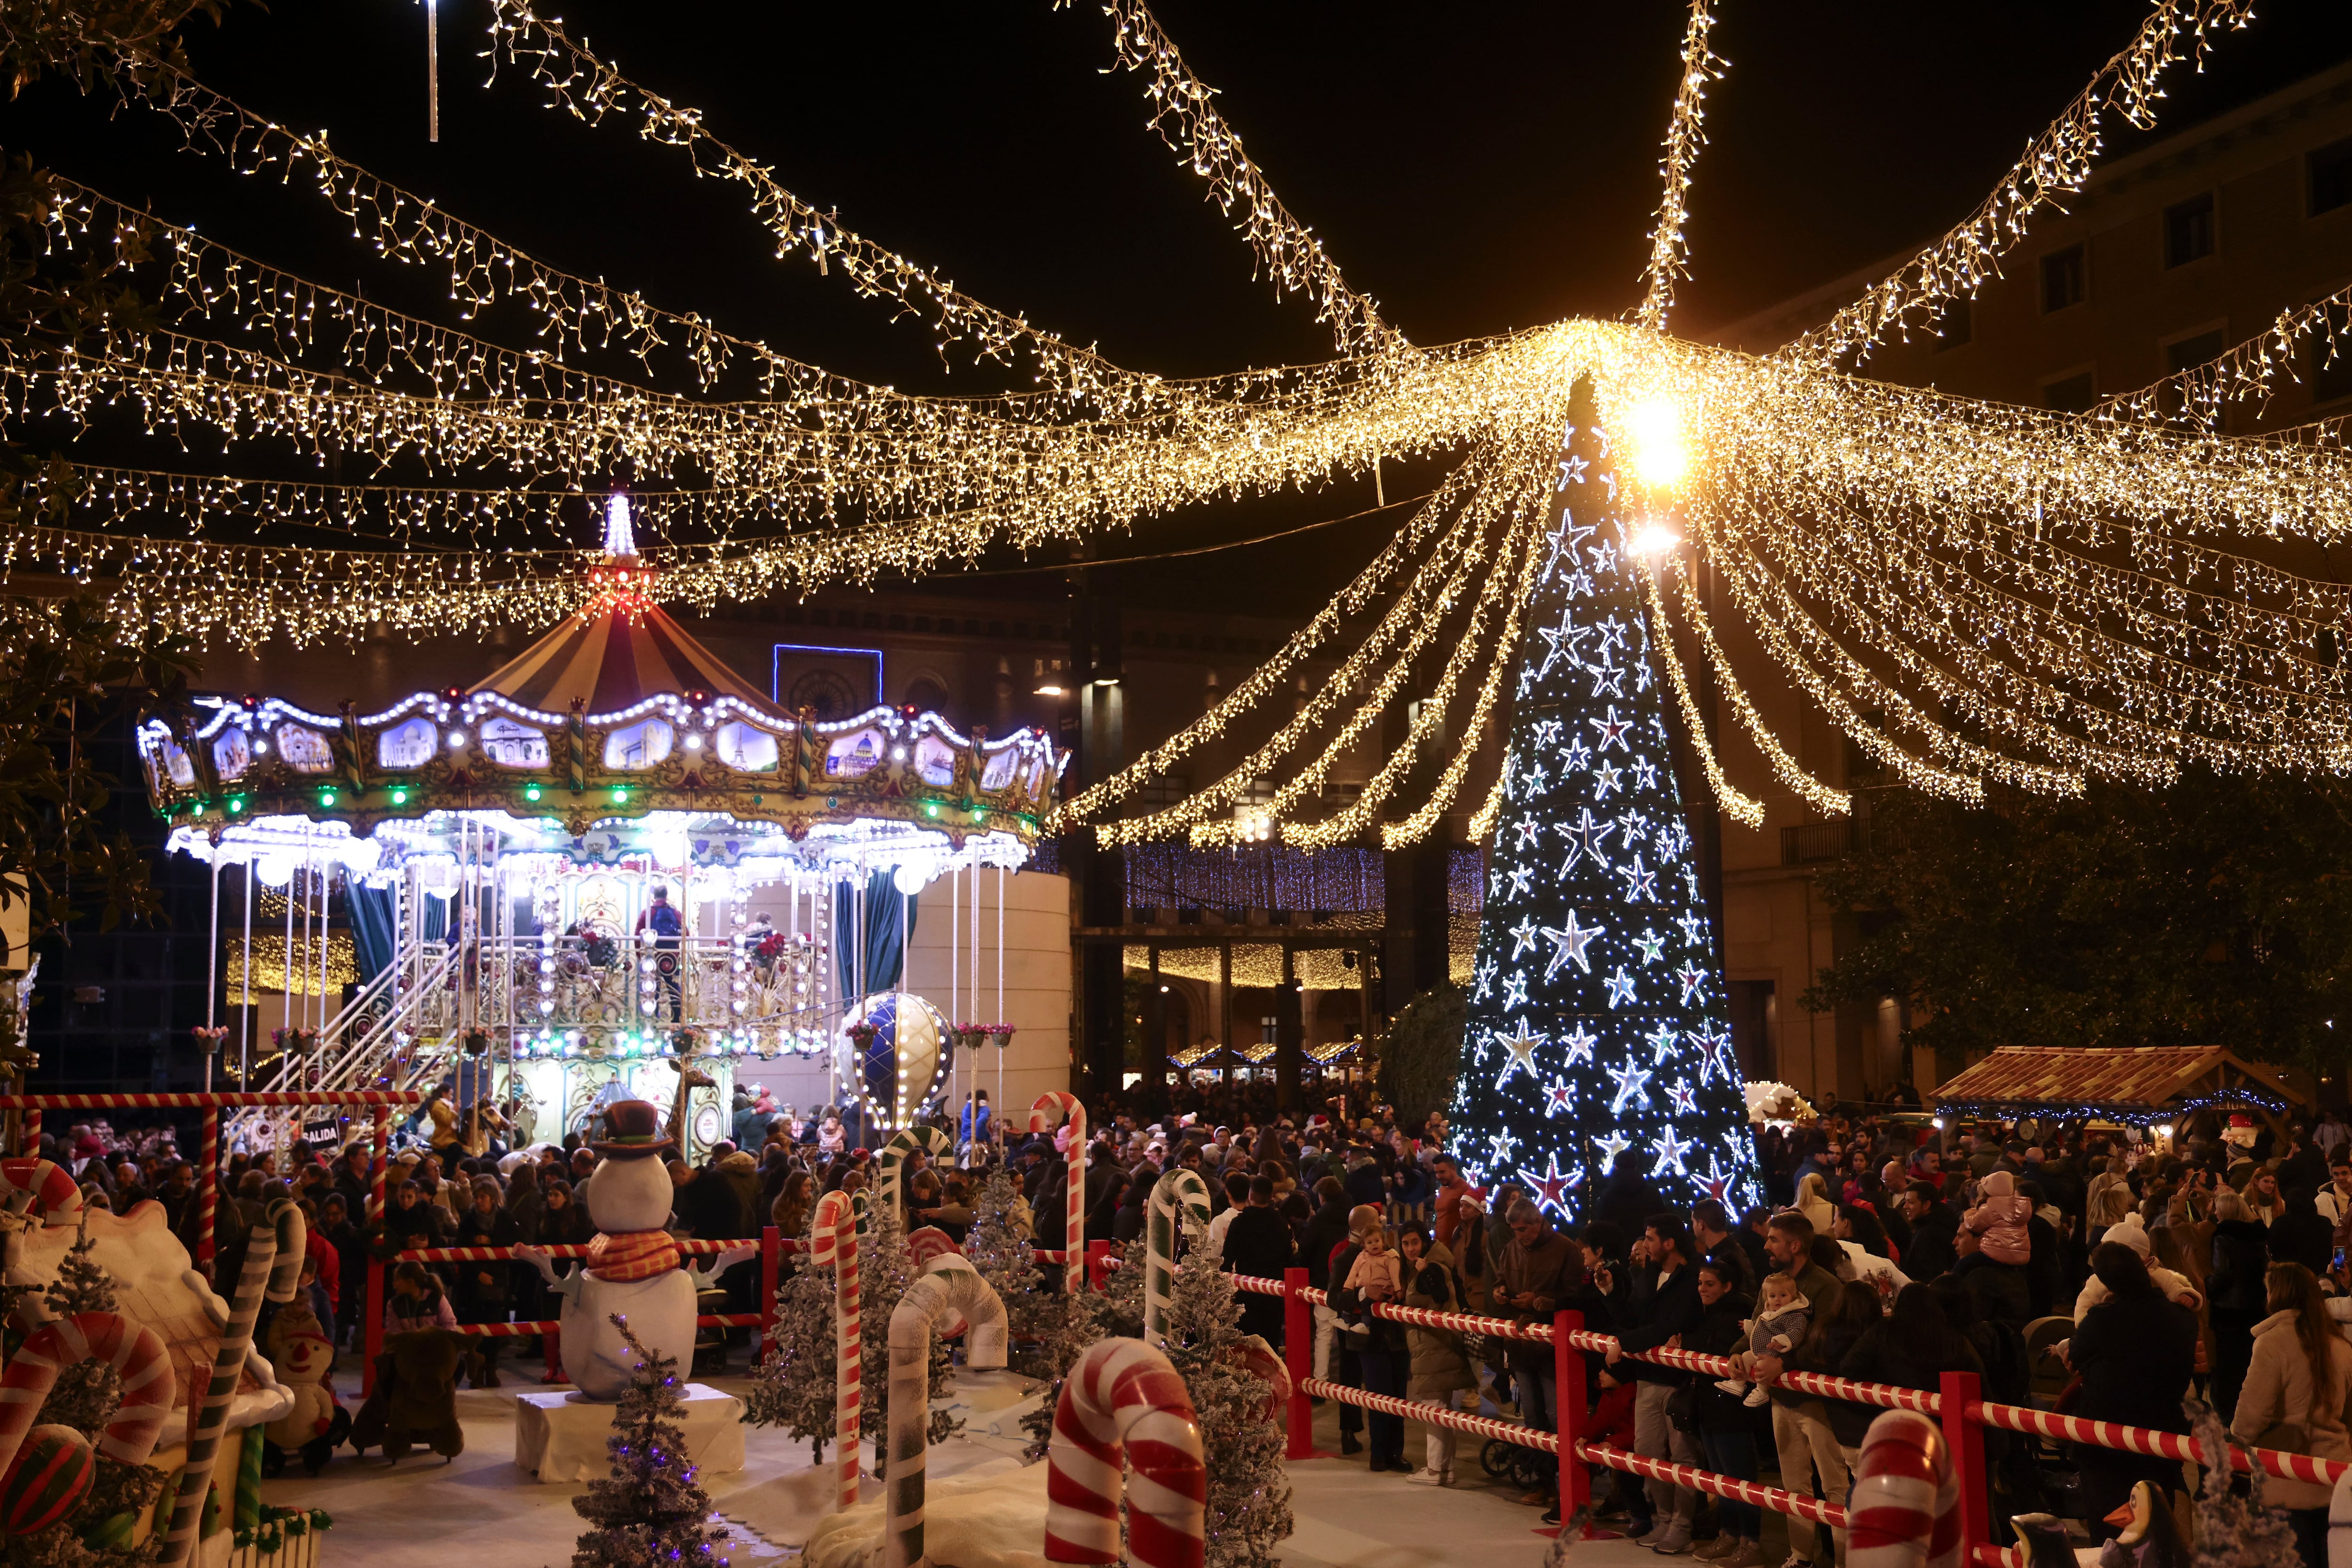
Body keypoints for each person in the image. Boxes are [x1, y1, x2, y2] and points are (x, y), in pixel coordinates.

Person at [2066, 1242, 2199, 1531]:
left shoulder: (2102, 1321)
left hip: (2107, 1446)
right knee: (2155, 1530)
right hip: (2161, 1440)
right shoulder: (2184, 1319)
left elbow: (2076, 1357)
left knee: (2110, 1537)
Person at [2235, 1261, 2352, 1568]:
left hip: (2285, 1478)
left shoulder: (2272, 1342)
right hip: (2335, 1476)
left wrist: (2237, 1443)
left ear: (2278, 1295)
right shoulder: (2341, 1345)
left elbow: (2250, 1417)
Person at [1608, 1213, 1704, 1553]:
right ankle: (1663, 1519)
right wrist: (1610, 1291)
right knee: (1647, 1450)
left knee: (1682, 1456)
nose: (1645, 1245)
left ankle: (1682, 1525)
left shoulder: (1692, 1278)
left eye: (1650, 1238)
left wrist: (1624, 1342)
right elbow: (1634, 1316)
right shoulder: (1648, 1274)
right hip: (1647, 1376)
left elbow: (1669, 1325)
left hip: (1678, 1379)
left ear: (1669, 1242)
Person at [1686, 1259, 1764, 1568]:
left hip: (1732, 1409)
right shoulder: (1709, 1311)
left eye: (1710, 1284)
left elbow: (1717, 1349)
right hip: (1709, 1404)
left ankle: (1752, 1543)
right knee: (1721, 1478)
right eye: (1701, 1283)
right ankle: (1729, 1535)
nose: (1702, 1289)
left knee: (1741, 1476)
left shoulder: (1736, 1314)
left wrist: (1688, 1341)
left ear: (1727, 1286)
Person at [1398, 1227, 1476, 1486]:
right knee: (1443, 1409)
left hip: (1433, 1346)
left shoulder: (1431, 1268)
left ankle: (1434, 1470)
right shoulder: (1436, 1264)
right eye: (1406, 1243)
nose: (1411, 1248)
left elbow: (1440, 1294)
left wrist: (1424, 1272)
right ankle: (1447, 1468)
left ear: (1425, 1242)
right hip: (1439, 1345)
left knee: (1434, 1409)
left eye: (1415, 1242)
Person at [1712, 1269, 1809, 1407]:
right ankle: (1739, 1385)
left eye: (1783, 1295)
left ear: (1792, 1297)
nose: (1778, 1299)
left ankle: (1761, 1391)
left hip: (1777, 1353)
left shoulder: (1795, 1315)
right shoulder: (1769, 1312)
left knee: (1762, 1366)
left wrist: (1781, 1341)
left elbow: (1797, 1332)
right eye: (1773, 1296)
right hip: (1763, 1350)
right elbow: (1761, 1328)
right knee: (1745, 1357)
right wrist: (1749, 1326)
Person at [1219, 1174, 1295, 1345]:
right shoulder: (1281, 1224)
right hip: (1275, 1293)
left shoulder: (1239, 1223)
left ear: (1250, 1196)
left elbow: (1226, 1261)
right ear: (1271, 1197)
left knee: (1248, 1345)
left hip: (1248, 1292)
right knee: (1271, 1344)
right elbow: (1288, 1259)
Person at [636, 884, 684, 1020]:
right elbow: (686, 932)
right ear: (666, 896)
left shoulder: (648, 913)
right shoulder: (675, 913)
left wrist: (641, 957)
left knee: (652, 988)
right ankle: (677, 1019)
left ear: (654, 896)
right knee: (673, 987)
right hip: (672, 957)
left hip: (654, 956)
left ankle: (652, 1019)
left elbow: (637, 936)